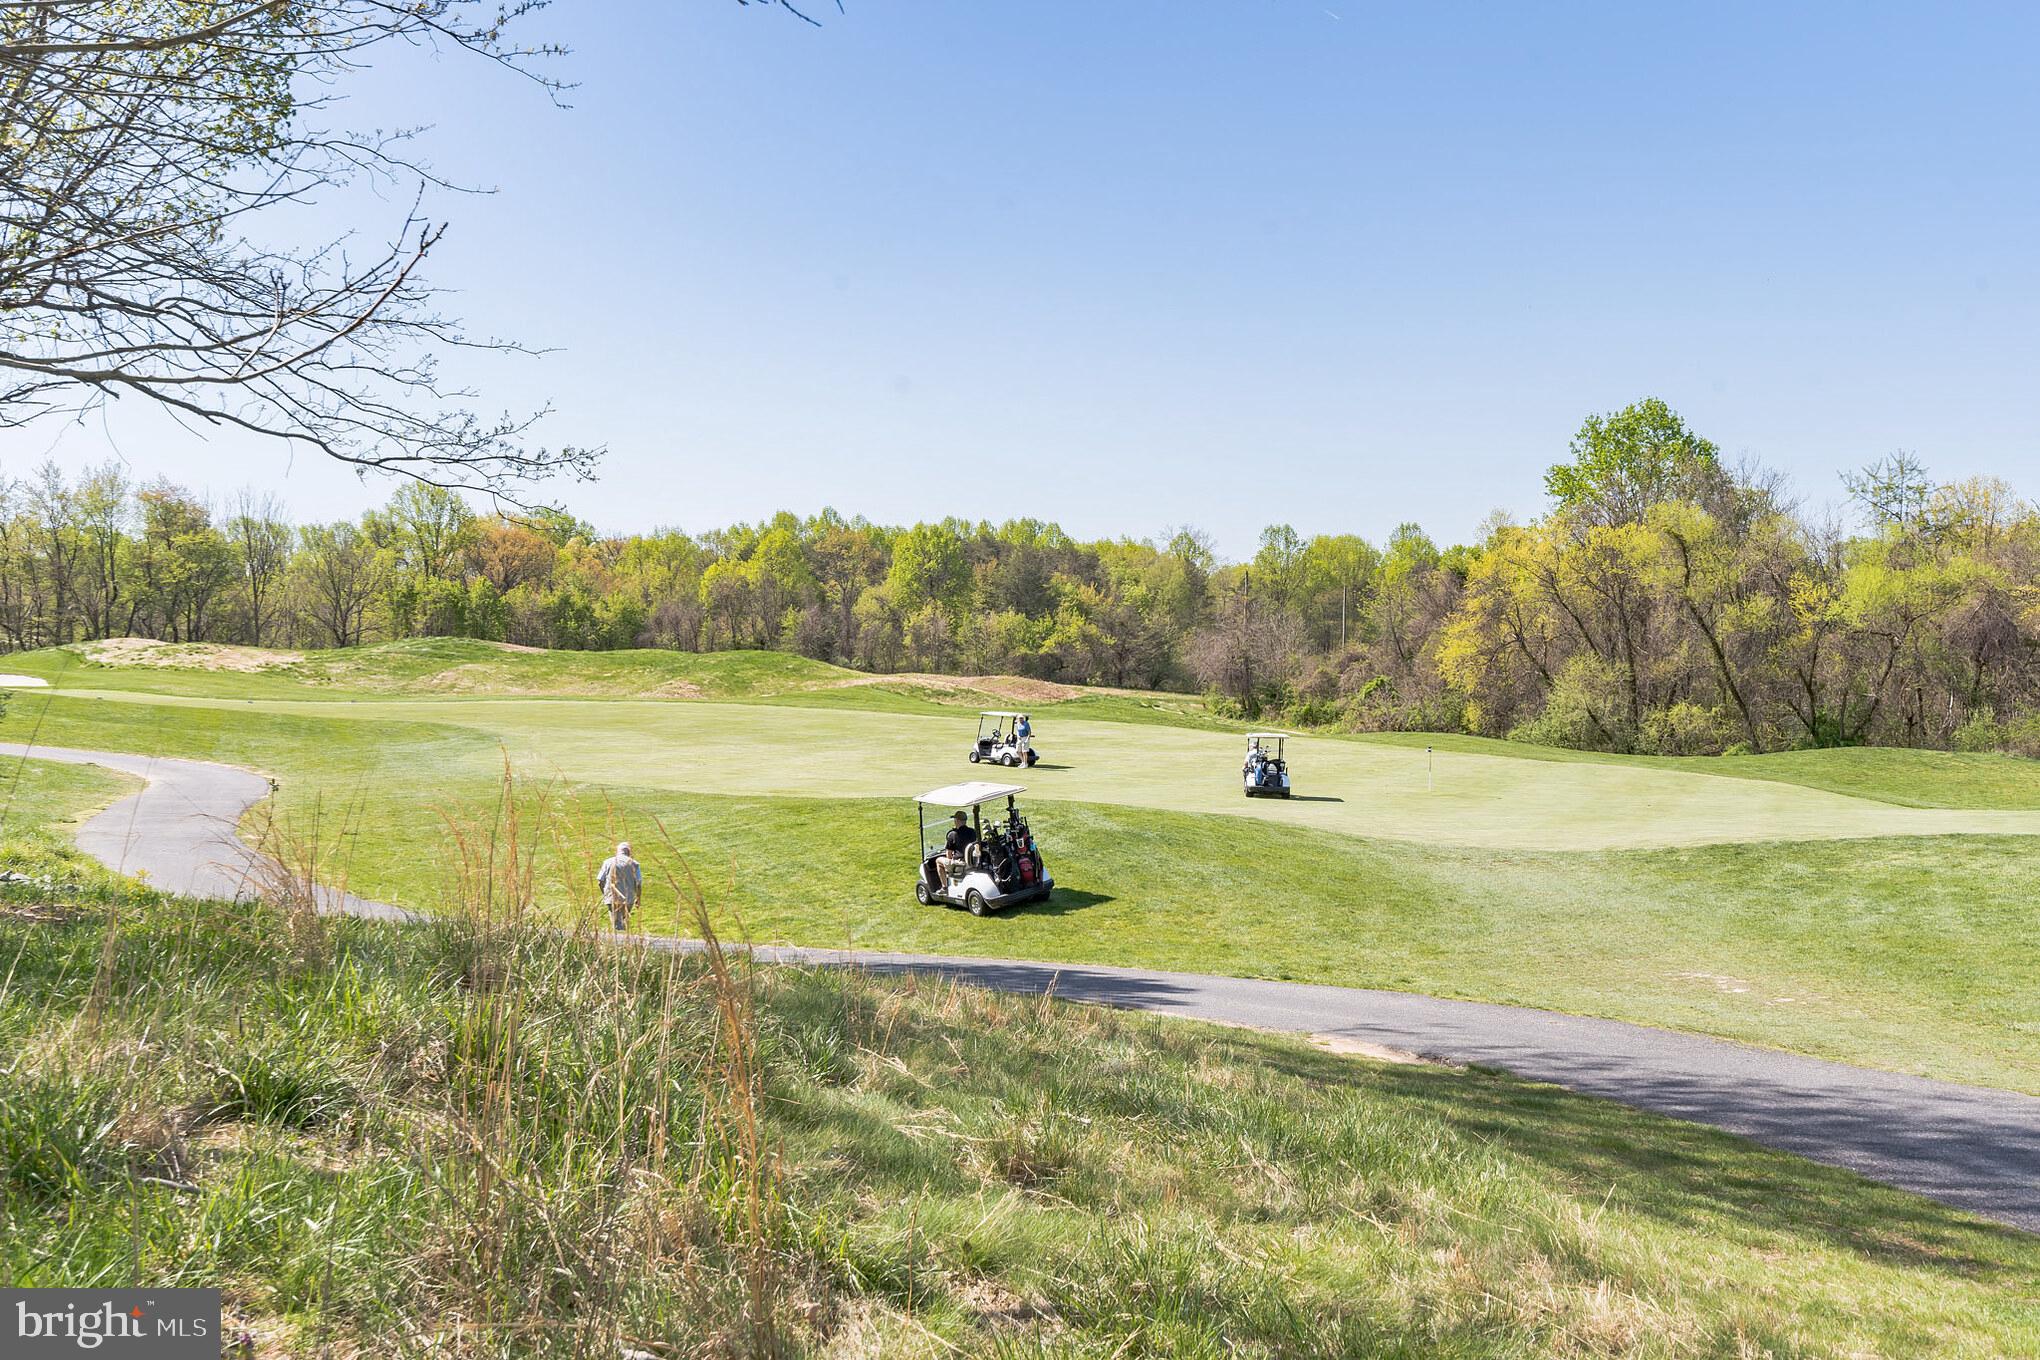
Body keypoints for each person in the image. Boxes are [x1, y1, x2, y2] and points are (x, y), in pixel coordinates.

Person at [596, 840, 643, 931]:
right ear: (629, 852)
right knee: (622, 920)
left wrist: (605, 894)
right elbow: (638, 883)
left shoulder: (608, 862)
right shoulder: (634, 864)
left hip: (612, 896)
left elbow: (600, 881)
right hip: (628, 898)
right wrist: (638, 898)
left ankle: (619, 940)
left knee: (616, 922)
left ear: (617, 851)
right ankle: (622, 939)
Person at [939, 810, 977, 889]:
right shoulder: (972, 831)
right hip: (972, 861)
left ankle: (944, 887)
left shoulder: (952, 834)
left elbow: (949, 854)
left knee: (938, 861)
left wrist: (949, 865)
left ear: (957, 820)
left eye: (955, 820)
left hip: (960, 863)